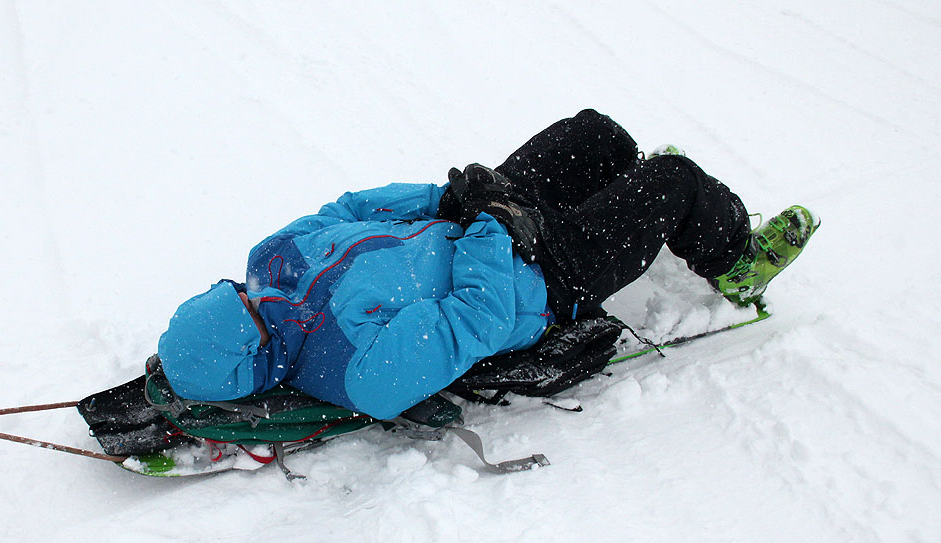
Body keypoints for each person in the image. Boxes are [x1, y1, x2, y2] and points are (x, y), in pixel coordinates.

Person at [156, 109, 819, 420]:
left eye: (241, 295)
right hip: (537, 276)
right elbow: (477, 318)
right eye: (252, 315)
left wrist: (451, 199)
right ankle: (734, 259)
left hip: (484, 221)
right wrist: (494, 229)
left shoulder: (268, 265)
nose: (259, 296)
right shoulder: (353, 372)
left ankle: (639, 198)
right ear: (259, 363)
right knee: (674, 179)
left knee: (598, 134)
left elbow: (350, 207)